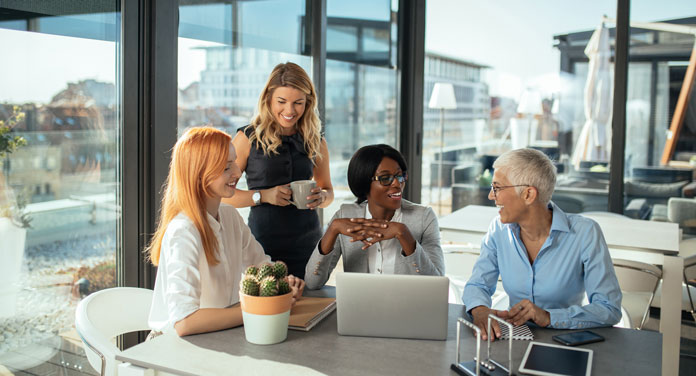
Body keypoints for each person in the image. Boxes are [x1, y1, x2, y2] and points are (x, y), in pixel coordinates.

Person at [146, 127, 304, 337]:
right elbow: (184, 322)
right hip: (175, 347)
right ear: (200, 173)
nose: (238, 173)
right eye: (227, 167)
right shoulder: (183, 231)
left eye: (235, 163)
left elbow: (263, 266)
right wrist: (259, 310)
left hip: (222, 335)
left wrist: (285, 284)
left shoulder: (229, 216)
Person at [463, 148, 622, 339]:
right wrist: (479, 310)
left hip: (566, 342)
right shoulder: (498, 230)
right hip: (513, 340)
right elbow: (477, 284)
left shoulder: (585, 233)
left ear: (528, 194)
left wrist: (549, 317)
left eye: (497, 187)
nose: (491, 195)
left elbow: (609, 308)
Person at [224, 62, 333, 279]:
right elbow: (223, 195)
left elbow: (329, 191)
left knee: (310, 309)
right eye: (281, 102)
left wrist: (321, 197)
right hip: (261, 246)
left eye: (298, 103)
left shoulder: (316, 140)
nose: (290, 111)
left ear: (308, 103)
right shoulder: (247, 138)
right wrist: (263, 196)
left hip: (308, 245)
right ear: (268, 100)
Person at [305, 144, 445, 290]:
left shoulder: (424, 218)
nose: (397, 183)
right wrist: (332, 230)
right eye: (386, 178)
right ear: (364, 183)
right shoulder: (345, 216)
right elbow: (313, 282)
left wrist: (404, 234)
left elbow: (437, 285)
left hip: (407, 309)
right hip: (361, 309)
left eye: (400, 175)